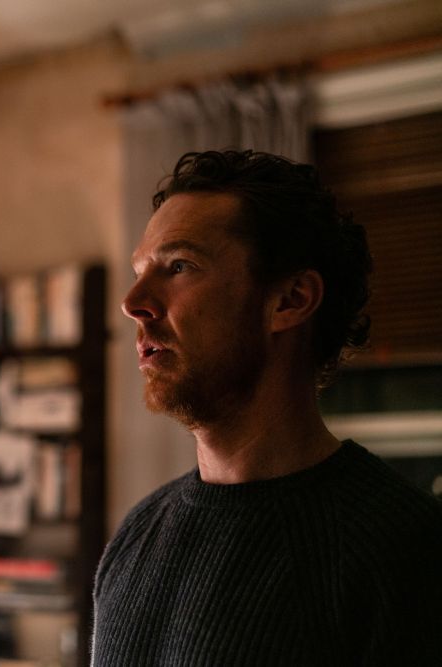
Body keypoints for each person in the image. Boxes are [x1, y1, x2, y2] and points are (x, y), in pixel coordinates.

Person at [91, 150, 442, 665]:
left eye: (179, 266)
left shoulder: (403, 549)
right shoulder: (139, 532)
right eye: (141, 270)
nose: (133, 301)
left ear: (290, 300)